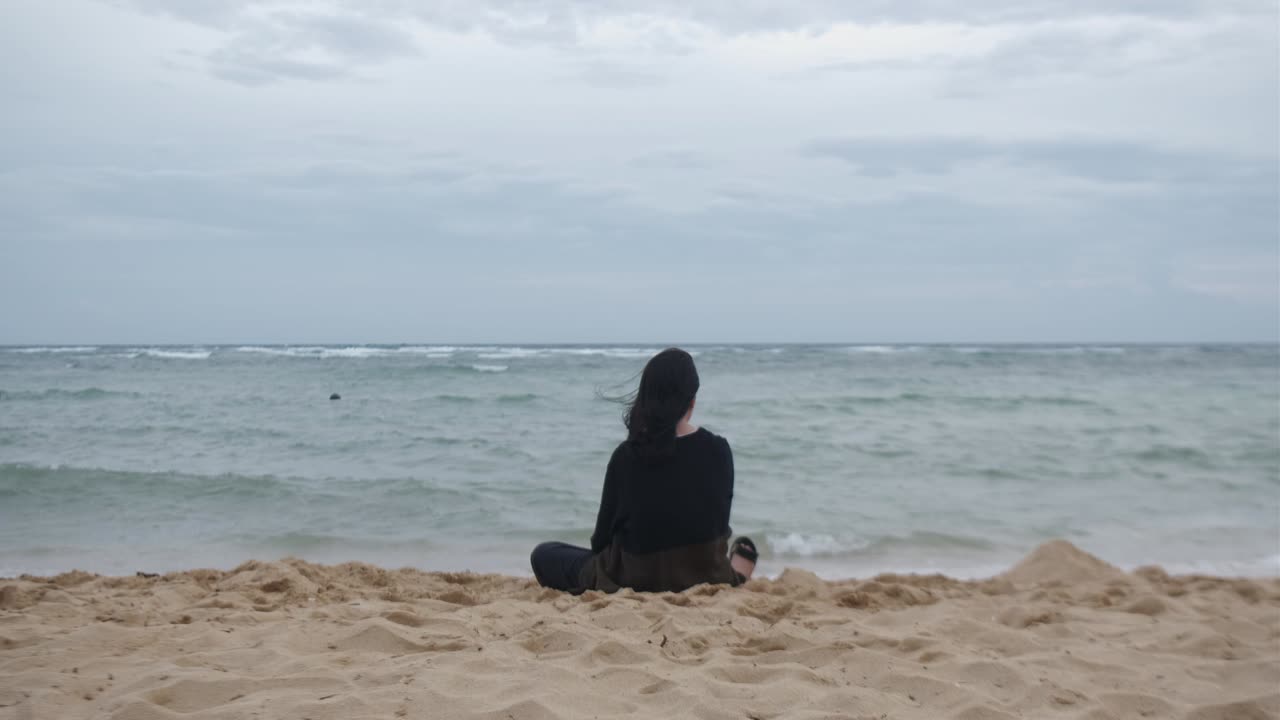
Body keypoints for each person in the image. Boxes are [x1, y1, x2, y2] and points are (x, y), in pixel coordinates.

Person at [530, 347, 757, 594]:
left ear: (646, 399)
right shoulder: (720, 450)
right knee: (740, 546)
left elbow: (600, 541)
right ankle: (737, 572)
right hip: (703, 574)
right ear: (692, 400)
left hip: (635, 578)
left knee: (544, 554)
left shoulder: (627, 456)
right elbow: (718, 526)